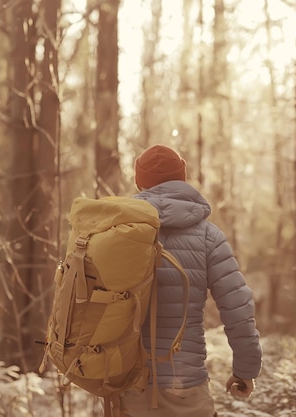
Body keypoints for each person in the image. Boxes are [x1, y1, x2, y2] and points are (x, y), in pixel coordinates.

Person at [121, 144, 263, 417]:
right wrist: (245, 370)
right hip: (185, 384)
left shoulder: (118, 231)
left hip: (127, 384)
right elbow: (238, 310)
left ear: (140, 182)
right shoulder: (209, 236)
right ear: (182, 178)